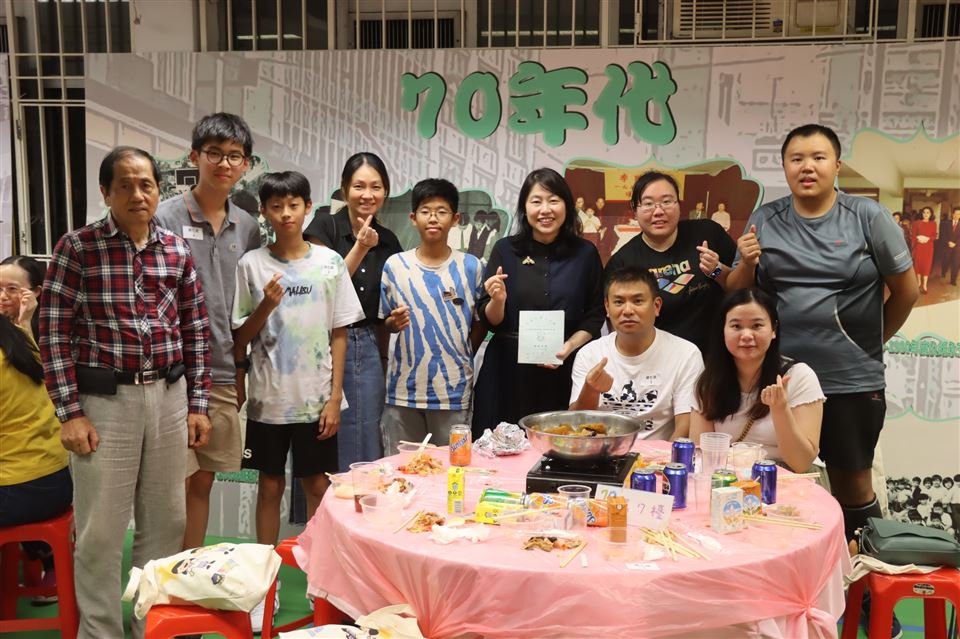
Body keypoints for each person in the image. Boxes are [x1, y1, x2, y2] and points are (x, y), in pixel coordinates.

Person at [40, 146, 212, 639]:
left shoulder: (176, 250)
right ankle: (100, 632)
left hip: (169, 399)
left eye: (146, 184)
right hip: (104, 405)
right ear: (106, 192)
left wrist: (198, 405)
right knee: (100, 532)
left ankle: (148, 628)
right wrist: (70, 412)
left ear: (159, 190)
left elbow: (196, 329)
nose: (138, 194)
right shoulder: (78, 247)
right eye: (125, 185)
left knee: (166, 524)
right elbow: (52, 330)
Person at [726, 123, 918, 550]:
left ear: (837, 165)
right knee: (779, 480)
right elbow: (740, 295)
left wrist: (868, 344)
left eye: (818, 157)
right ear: (784, 167)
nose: (807, 167)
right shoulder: (765, 219)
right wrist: (746, 264)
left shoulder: (868, 217)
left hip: (851, 380)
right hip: (783, 382)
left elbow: (907, 292)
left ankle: (866, 578)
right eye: (796, 159)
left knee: (853, 484)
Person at [232, 171, 363, 629]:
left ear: (308, 207)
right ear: (264, 212)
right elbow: (240, 338)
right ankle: (261, 590)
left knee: (318, 490)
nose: (285, 214)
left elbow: (340, 333)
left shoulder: (329, 263)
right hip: (269, 401)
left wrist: (334, 398)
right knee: (269, 488)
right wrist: (266, 305)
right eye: (276, 206)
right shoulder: (251, 264)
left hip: (317, 400)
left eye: (293, 205)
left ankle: (322, 588)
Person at [155, 112, 261, 551]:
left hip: (221, 370)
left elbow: (248, 305)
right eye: (214, 153)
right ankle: (162, 574)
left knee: (203, 481)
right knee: (170, 484)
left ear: (245, 164)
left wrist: (240, 370)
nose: (224, 163)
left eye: (234, 156)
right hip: (171, 374)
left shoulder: (248, 226)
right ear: (194, 156)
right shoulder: (164, 217)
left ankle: (189, 571)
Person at [472, 168, 604, 435]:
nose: (545, 209)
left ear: (567, 205)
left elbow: (594, 315)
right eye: (536, 201)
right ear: (525, 207)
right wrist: (498, 300)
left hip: (564, 368)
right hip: (507, 371)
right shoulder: (505, 249)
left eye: (553, 200)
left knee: (560, 445)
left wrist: (568, 347)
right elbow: (491, 320)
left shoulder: (585, 253)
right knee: (497, 449)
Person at [303, 153, 401, 470]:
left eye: (376, 187)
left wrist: (389, 334)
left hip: (368, 345)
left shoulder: (389, 241)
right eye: (359, 186)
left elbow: (384, 309)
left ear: (385, 191)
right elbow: (324, 290)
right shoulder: (324, 227)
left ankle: (360, 500)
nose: (367, 194)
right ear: (345, 188)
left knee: (366, 434)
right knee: (318, 433)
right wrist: (360, 247)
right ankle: (320, 503)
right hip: (321, 343)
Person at [379, 178, 484, 451]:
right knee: (402, 467)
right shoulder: (395, 265)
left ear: (455, 219)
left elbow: (480, 323)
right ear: (413, 218)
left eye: (441, 211)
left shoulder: (471, 266)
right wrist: (393, 323)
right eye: (425, 211)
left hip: (453, 392)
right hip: (403, 391)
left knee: (453, 467)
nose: (433, 218)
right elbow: (384, 322)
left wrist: (461, 354)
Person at [603, 171, 741, 354]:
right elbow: (618, 328)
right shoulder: (623, 262)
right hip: (659, 361)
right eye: (648, 204)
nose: (658, 211)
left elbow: (739, 288)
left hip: (716, 356)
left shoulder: (707, 233)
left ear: (679, 205)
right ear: (635, 210)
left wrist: (716, 270)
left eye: (667, 201)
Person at [0, 256, 72, 604]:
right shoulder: (20, 339)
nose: (3, 296)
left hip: (25, 486)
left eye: (12, 289)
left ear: (36, 293)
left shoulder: (40, 336)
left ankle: (45, 560)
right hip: (54, 479)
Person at [690, 288, 824, 472]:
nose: (746, 335)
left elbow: (801, 463)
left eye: (756, 326)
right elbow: (700, 456)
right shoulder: (709, 382)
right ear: (723, 330)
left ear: (774, 330)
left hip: (790, 475)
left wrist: (780, 409)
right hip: (730, 477)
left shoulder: (798, 376)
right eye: (736, 326)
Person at [570, 266, 703, 440]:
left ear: (656, 306)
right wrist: (591, 390)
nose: (627, 310)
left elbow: (685, 426)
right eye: (619, 302)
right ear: (607, 307)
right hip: (600, 453)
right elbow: (576, 425)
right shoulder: (589, 354)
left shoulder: (686, 354)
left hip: (660, 454)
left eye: (638, 301)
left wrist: (664, 457)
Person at [911, 206, 936, 293]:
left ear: (931, 214)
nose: (926, 214)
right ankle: (919, 282)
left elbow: (934, 235)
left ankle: (925, 285)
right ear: (921, 214)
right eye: (924, 212)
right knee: (918, 265)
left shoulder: (933, 223)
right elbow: (913, 236)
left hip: (928, 248)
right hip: (919, 247)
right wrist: (918, 239)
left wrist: (928, 239)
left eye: (928, 212)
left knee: (926, 265)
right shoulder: (916, 223)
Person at [940, 206, 960, 285]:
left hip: (957, 248)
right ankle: (943, 272)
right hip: (946, 246)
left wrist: (955, 243)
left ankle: (953, 280)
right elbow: (942, 235)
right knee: (945, 261)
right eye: (956, 214)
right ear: (952, 214)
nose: (957, 216)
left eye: (959, 214)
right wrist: (948, 242)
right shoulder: (945, 223)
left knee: (956, 264)